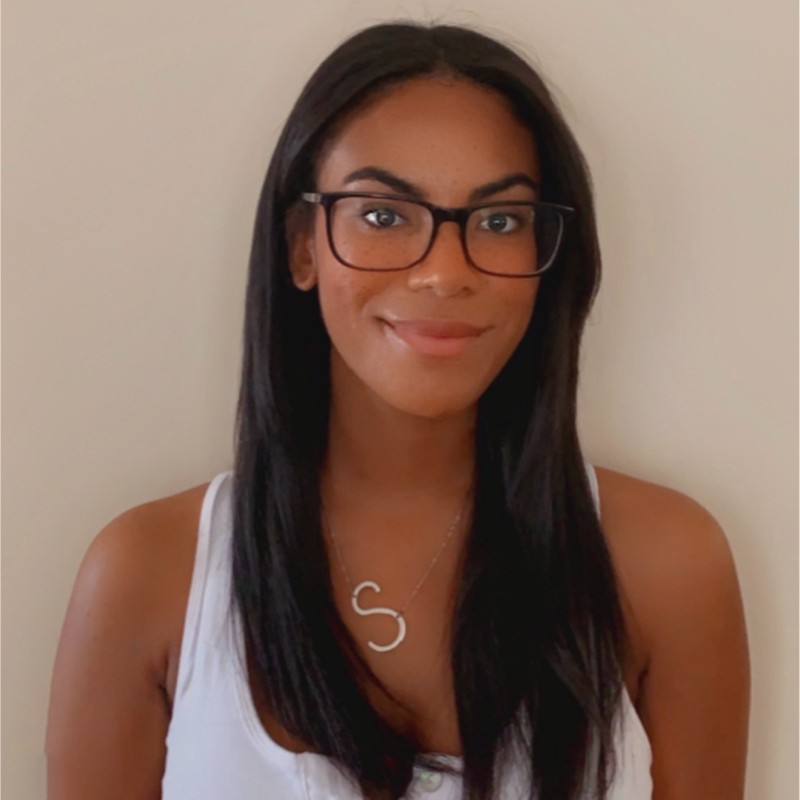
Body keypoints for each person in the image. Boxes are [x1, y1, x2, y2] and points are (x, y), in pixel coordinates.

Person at [45, 21, 750, 800]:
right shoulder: (147, 574)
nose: (444, 273)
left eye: (500, 220)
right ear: (302, 247)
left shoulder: (668, 565)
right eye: (383, 215)